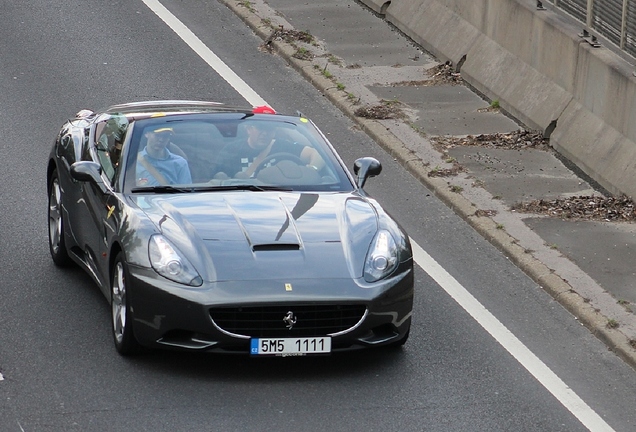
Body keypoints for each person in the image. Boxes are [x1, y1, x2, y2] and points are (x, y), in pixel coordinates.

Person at [213, 120, 325, 179]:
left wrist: (312, 169)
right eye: (261, 128)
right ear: (249, 129)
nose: (265, 133)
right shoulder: (232, 150)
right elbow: (218, 177)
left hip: (282, 196)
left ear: (274, 132)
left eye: (269, 129)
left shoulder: (283, 146)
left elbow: (317, 154)